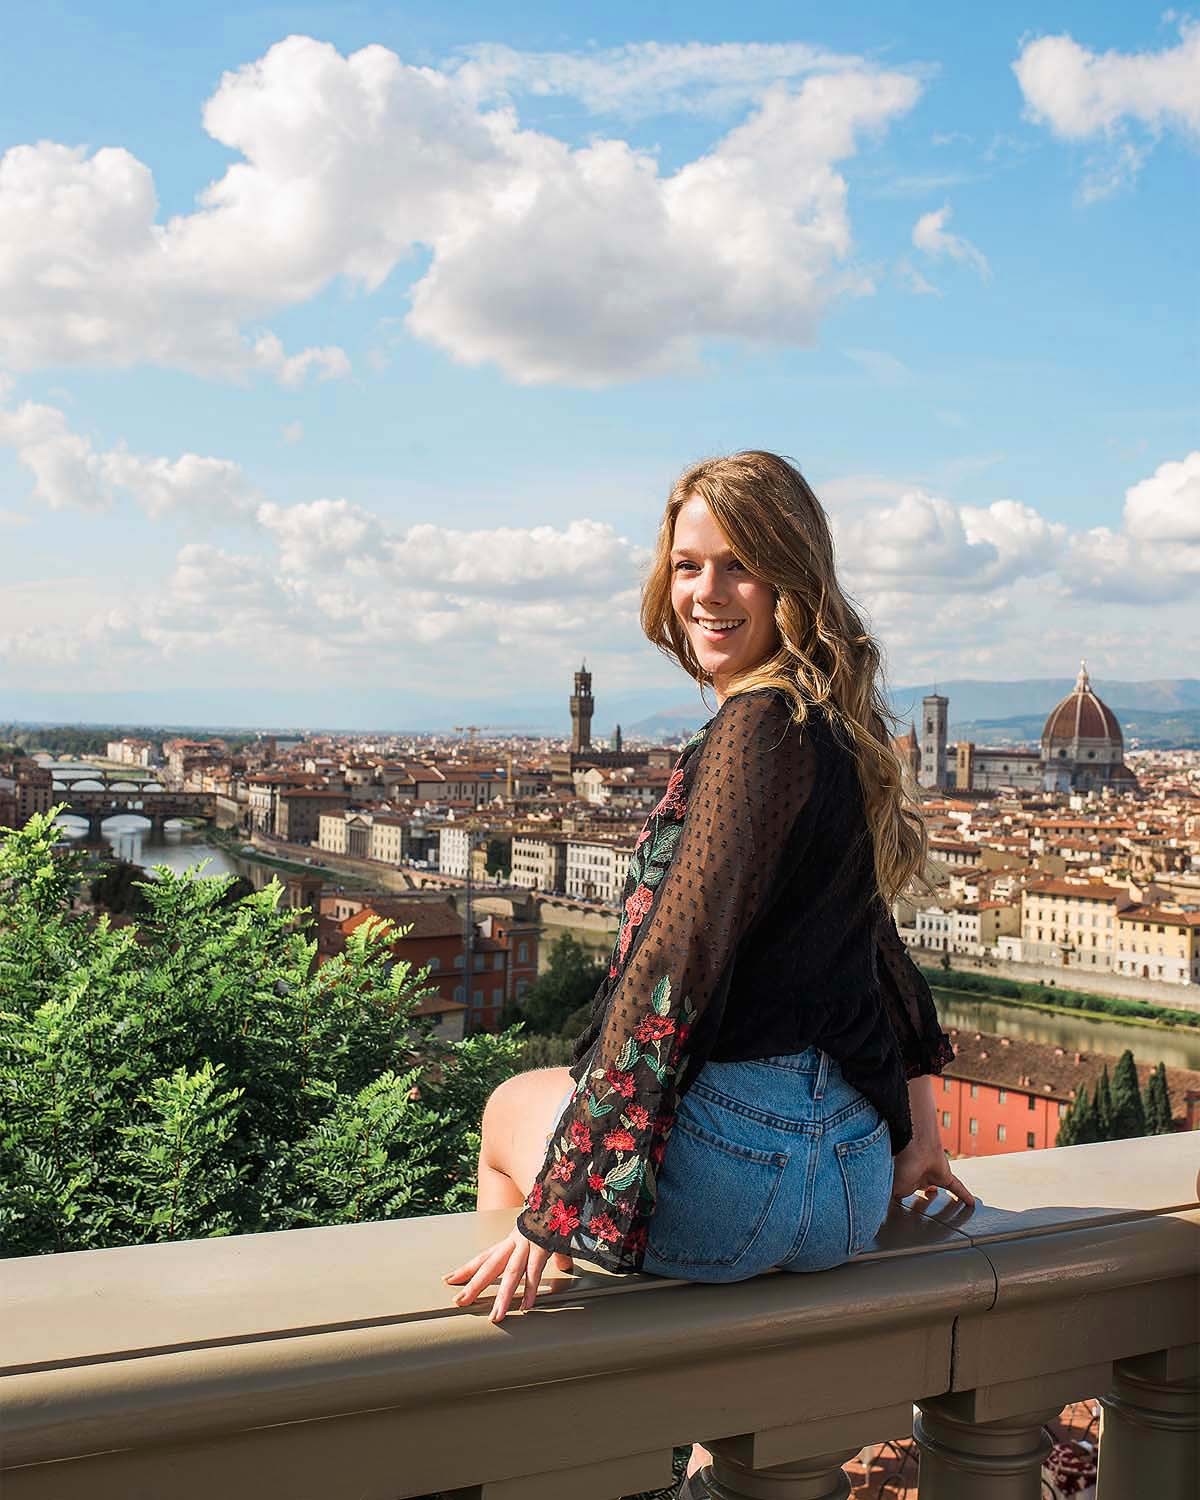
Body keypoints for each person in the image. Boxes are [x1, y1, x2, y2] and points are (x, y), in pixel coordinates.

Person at [444, 451, 974, 1340]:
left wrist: (566, 1202)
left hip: (737, 1181)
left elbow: (673, 962)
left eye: (740, 565)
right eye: (689, 566)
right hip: (849, 1185)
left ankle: (513, 1372)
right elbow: (876, 948)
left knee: (507, 1107)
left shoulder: (755, 729)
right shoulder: (829, 727)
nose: (707, 591)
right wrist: (921, 1133)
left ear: (791, 579)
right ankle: (704, 1454)